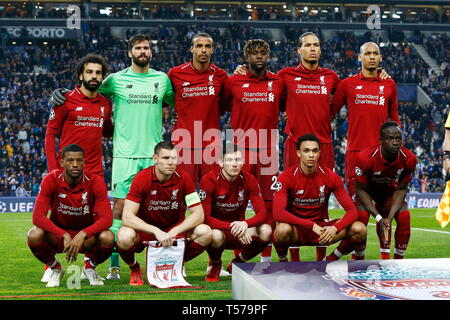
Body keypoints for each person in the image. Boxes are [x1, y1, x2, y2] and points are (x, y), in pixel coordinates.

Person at [50, 34, 176, 279]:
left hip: (153, 156)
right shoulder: (115, 80)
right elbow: (88, 91)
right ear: (130, 52)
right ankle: (115, 265)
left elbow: (177, 102)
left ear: (151, 52)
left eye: (146, 48)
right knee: (118, 210)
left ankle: (163, 263)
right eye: (138, 48)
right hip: (124, 155)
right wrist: (61, 93)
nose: (143, 51)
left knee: (156, 209)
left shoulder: (162, 80)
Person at [220, 39, 285, 262]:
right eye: (254, 53)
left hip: (268, 149)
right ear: (247, 56)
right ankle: (221, 260)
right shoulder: (233, 81)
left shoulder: (277, 82)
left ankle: (264, 260)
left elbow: (288, 105)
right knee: (233, 204)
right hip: (240, 150)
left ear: (268, 56)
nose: (259, 56)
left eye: (262, 53)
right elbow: (220, 106)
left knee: (269, 204)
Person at [115, 141, 211, 286]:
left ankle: (177, 263)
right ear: (155, 159)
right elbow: (127, 217)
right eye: (166, 158)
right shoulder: (142, 178)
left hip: (173, 229)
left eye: (174, 158)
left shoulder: (184, 178)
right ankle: (135, 268)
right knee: (123, 235)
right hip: (147, 230)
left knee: (205, 232)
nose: (171, 162)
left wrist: (174, 231)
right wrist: (155, 231)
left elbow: (199, 214)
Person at [27, 144, 114, 287]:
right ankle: (55, 268)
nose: (75, 164)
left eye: (79, 160)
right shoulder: (51, 179)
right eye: (70, 160)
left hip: (86, 238)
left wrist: (83, 234)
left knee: (108, 237)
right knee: (33, 234)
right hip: (58, 236)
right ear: (62, 163)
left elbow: (107, 219)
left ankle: (89, 267)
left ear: (84, 162)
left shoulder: (95, 181)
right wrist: (63, 235)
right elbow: (37, 217)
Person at [272, 134, 366, 261]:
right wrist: (310, 225)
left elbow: (353, 212)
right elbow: (278, 214)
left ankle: (331, 259)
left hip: (323, 231)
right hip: (297, 231)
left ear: (319, 153)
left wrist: (335, 228)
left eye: (315, 151)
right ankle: (283, 260)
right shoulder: (286, 177)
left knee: (359, 229)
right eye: (306, 151)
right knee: (282, 229)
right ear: (298, 153)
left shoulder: (330, 177)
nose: (311, 155)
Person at [330, 122, 416, 260]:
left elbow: (401, 188)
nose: (395, 142)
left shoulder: (409, 158)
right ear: (381, 140)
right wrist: (378, 217)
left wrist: (388, 218)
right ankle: (346, 258)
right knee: (361, 220)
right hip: (365, 192)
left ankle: (397, 263)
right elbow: (361, 190)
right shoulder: (365, 157)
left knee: (404, 216)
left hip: (388, 192)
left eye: (398, 138)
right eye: (390, 138)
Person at [330, 42, 400, 200]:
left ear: (380, 58)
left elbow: (395, 119)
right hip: (356, 152)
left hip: (382, 153)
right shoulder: (347, 84)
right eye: (368, 54)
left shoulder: (389, 84)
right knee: (358, 211)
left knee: (386, 209)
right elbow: (330, 112)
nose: (372, 57)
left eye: (375, 53)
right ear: (360, 57)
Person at [200, 142, 272, 281]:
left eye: (238, 160)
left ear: (243, 161)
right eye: (230, 160)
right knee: (214, 235)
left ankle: (238, 262)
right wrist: (232, 226)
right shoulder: (209, 180)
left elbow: (262, 214)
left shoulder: (249, 179)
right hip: (219, 231)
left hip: (240, 232)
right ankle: (215, 265)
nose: (235, 164)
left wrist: (245, 224)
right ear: (221, 162)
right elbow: (206, 218)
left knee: (266, 230)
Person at [168, 33, 228, 187]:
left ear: (213, 50)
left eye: (207, 46)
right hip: (184, 143)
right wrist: (172, 115)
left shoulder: (220, 76)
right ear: (191, 49)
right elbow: (163, 101)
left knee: (211, 192)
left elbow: (228, 103)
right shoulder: (175, 74)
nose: (203, 50)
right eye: (199, 46)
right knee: (181, 192)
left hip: (211, 145)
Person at [45, 54, 112, 178]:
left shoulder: (106, 104)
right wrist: (53, 170)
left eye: (98, 73)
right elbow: (50, 135)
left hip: (95, 173)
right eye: (89, 72)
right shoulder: (64, 100)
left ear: (102, 77)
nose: (94, 76)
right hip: (67, 171)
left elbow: (107, 131)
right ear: (81, 75)